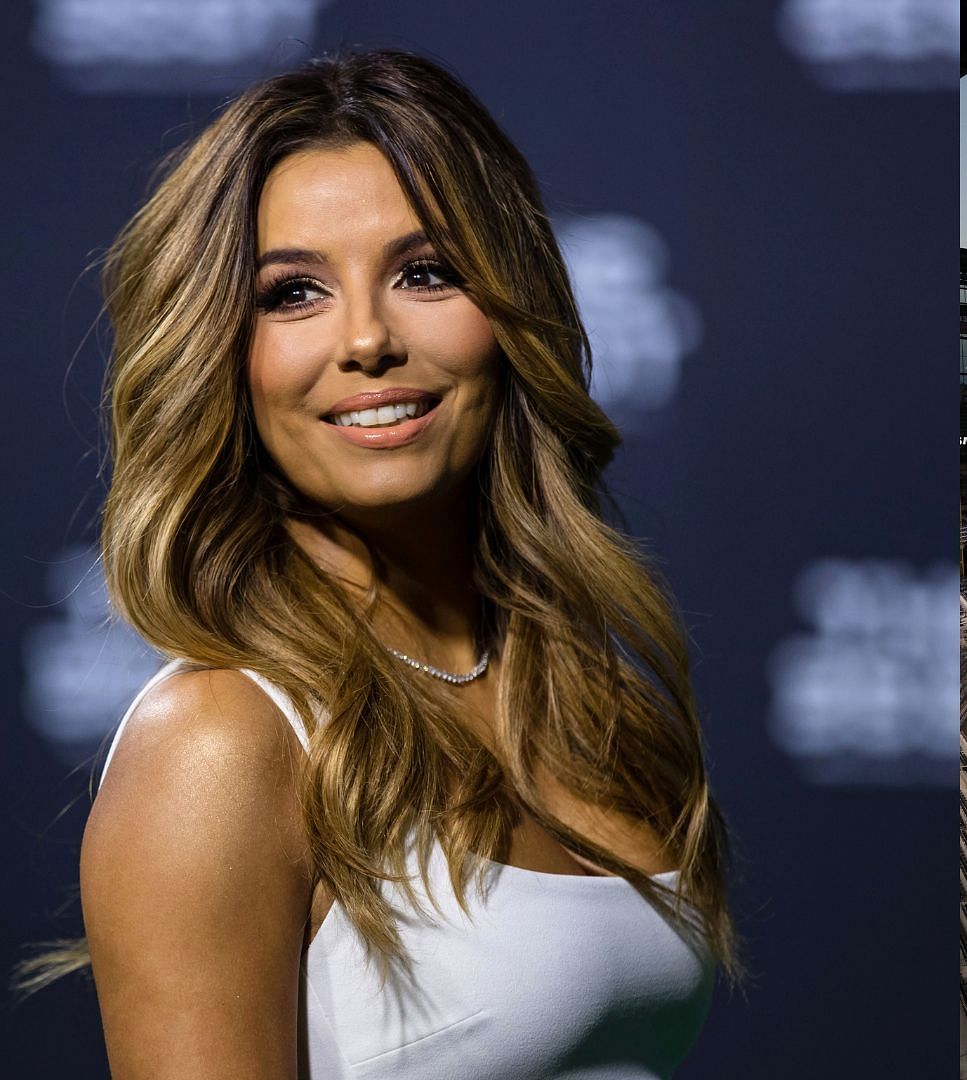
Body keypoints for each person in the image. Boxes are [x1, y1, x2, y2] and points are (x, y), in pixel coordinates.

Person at [26, 52, 733, 1078]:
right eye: (294, 292)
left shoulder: (596, 695)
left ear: (509, 307)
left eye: (425, 273)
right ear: (223, 350)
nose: (365, 339)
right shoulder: (222, 746)